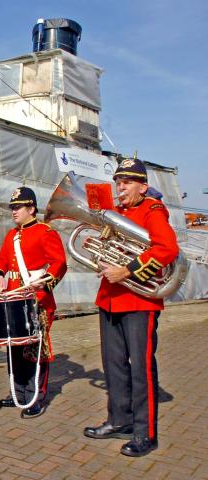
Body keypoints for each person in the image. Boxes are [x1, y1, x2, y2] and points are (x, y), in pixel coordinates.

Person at [83, 158, 179, 457]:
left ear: (143, 186)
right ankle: (118, 420)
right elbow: (109, 248)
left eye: (127, 182)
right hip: (110, 298)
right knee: (113, 366)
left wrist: (126, 271)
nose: (120, 186)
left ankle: (145, 432)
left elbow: (167, 249)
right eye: (118, 181)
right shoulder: (115, 214)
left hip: (139, 301)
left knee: (141, 369)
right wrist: (99, 254)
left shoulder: (152, 211)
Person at [0, 186, 67, 418]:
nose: (14, 211)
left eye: (18, 207)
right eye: (12, 207)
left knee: (36, 351)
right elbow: (2, 259)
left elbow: (59, 263)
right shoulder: (11, 235)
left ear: (31, 208)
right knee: (14, 349)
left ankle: (35, 397)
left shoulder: (45, 232)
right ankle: (18, 394)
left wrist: (44, 282)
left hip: (37, 299)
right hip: (14, 298)